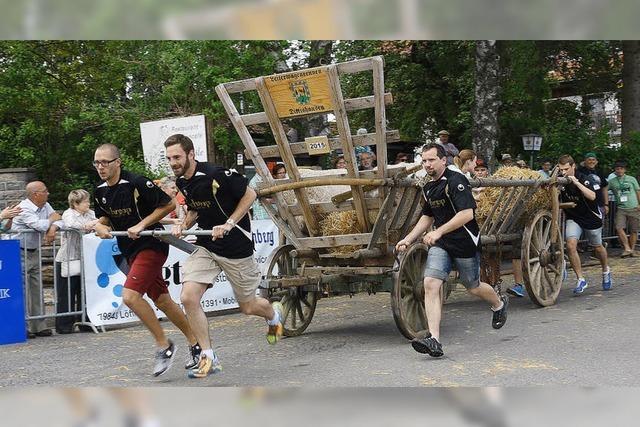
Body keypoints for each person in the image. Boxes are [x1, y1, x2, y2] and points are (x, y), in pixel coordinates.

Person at [164, 134, 284, 379]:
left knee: (248, 306)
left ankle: (273, 315)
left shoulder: (217, 173)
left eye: (177, 157)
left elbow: (250, 194)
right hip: (207, 246)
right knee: (188, 297)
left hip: (235, 247)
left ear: (190, 154)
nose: (173, 162)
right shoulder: (182, 181)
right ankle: (209, 356)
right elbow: (196, 207)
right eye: (169, 158)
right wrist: (183, 224)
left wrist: (229, 223)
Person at [92, 143, 198, 377]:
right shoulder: (99, 190)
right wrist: (100, 225)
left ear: (117, 162)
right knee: (163, 301)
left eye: (105, 162)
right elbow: (104, 216)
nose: (100, 167)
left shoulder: (137, 182)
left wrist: (142, 224)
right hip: (129, 249)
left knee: (130, 296)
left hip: (152, 245)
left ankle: (164, 345)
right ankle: (196, 342)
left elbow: (168, 204)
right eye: (97, 163)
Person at [395, 143, 508, 358]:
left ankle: (498, 304)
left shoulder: (456, 181)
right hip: (442, 245)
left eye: (431, 160)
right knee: (430, 284)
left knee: (473, 286)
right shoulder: (428, 187)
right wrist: (408, 239)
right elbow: (427, 216)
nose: (427, 164)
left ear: (443, 160)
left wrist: (438, 232)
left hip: (464, 242)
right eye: (424, 160)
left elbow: (467, 214)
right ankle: (434, 340)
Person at [12, 181, 62, 338]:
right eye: (45, 191)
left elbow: (60, 219)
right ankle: (23, 326)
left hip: (34, 251)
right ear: (35, 194)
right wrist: (51, 221)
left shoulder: (45, 206)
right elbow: (38, 225)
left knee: (36, 288)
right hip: (18, 251)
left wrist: (53, 228)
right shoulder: (23, 208)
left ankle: (39, 325)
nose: (48, 193)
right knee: (22, 290)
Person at [557, 155, 612, 294]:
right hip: (574, 217)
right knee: (570, 245)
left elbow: (593, 196)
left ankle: (605, 270)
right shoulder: (560, 179)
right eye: (561, 169)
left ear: (573, 166)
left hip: (590, 218)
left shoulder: (585, 178)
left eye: (566, 169)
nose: (563, 172)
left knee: (598, 247)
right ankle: (580, 279)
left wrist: (576, 183)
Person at [54, 189, 98, 334]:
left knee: (85, 291)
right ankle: (64, 325)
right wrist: (90, 225)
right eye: (85, 201)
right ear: (76, 203)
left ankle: (86, 321)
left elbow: (100, 221)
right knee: (66, 292)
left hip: (87, 257)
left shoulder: (90, 213)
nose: (88, 204)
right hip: (68, 257)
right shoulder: (68, 213)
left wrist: (93, 224)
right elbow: (71, 224)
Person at [608, 160, 640, 257]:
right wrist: (605, 202)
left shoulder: (631, 179)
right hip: (621, 208)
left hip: (634, 207)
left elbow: (638, 191)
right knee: (619, 227)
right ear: (615, 170)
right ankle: (627, 248)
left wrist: (639, 204)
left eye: (621, 168)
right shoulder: (612, 181)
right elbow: (604, 189)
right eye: (617, 169)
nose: (619, 170)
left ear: (625, 170)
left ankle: (632, 249)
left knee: (634, 230)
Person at [577, 152, 610, 219]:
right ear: (585, 161)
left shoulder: (599, 172)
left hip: (599, 205)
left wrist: (606, 204)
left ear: (596, 162)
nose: (591, 161)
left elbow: (604, 188)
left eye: (593, 160)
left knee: (598, 226)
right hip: (584, 205)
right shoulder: (579, 172)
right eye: (589, 159)